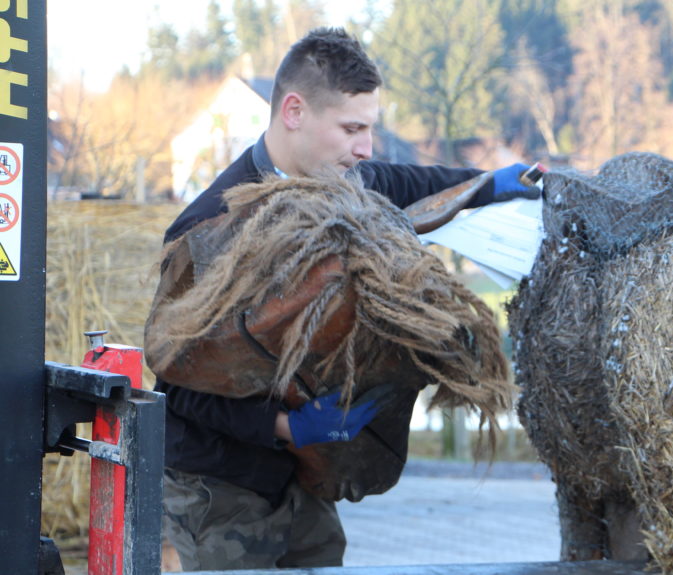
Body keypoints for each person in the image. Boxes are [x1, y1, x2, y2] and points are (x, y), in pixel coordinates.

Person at [156, 27, 539, 571]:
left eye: (370, 129)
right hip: (217, 485)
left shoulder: (340, 184)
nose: (365, 148)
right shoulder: (208, 229)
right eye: (352, 128)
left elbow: (408, 180)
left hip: (304, 478)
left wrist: (488, 184)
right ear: (294, 111)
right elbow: (178, 388)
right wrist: (285, 428)